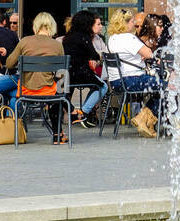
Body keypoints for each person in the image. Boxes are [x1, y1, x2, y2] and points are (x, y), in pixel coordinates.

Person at [7, 11, 69, 145]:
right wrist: (64, 94)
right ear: (52, 26)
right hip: (49, 91)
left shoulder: (24, 41)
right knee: (58, 92)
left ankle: (14, 132)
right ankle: (57, 134)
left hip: (26, 91)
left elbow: (9, 63)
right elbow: (62, 74)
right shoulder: (57, 45)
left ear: (35, 26)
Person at [106, 8, 160, 137]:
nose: (134, 26)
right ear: (125, 23)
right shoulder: (129, 38)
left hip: (115, 82)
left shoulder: (112, 39)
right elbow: (149, 53)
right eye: (132, 23)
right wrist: (144, 53)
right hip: (130, 80)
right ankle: (143, 117)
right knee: (165, 84)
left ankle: (147, 123)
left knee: (159, 85)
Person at [63, 10, 108, 125]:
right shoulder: (84, 37)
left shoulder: (68, 37)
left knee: (65, 94)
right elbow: (93, 55)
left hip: (66, 73)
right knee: (102, 86)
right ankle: (83, 112)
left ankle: (73, 113)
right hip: (80, 73)